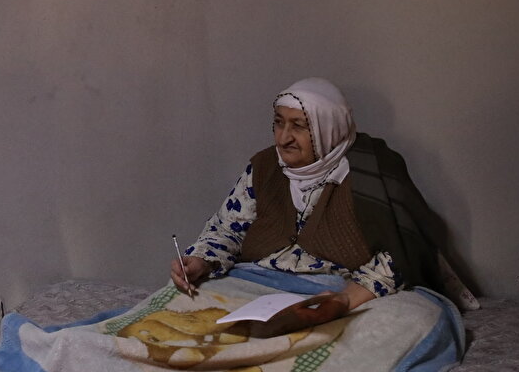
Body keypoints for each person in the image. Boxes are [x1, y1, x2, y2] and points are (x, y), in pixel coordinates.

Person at [170, 77, 445, 332]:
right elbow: (227, 229)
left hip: (343, 290)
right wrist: (202, 261)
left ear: (329, 127)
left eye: (299, 126)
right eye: (279, 123)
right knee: (180, 308)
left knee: (415, 320)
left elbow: (401, 253)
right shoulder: (264, 167)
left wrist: (344, 301)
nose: (283, 138)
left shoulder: (373, 172)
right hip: (261, 284)